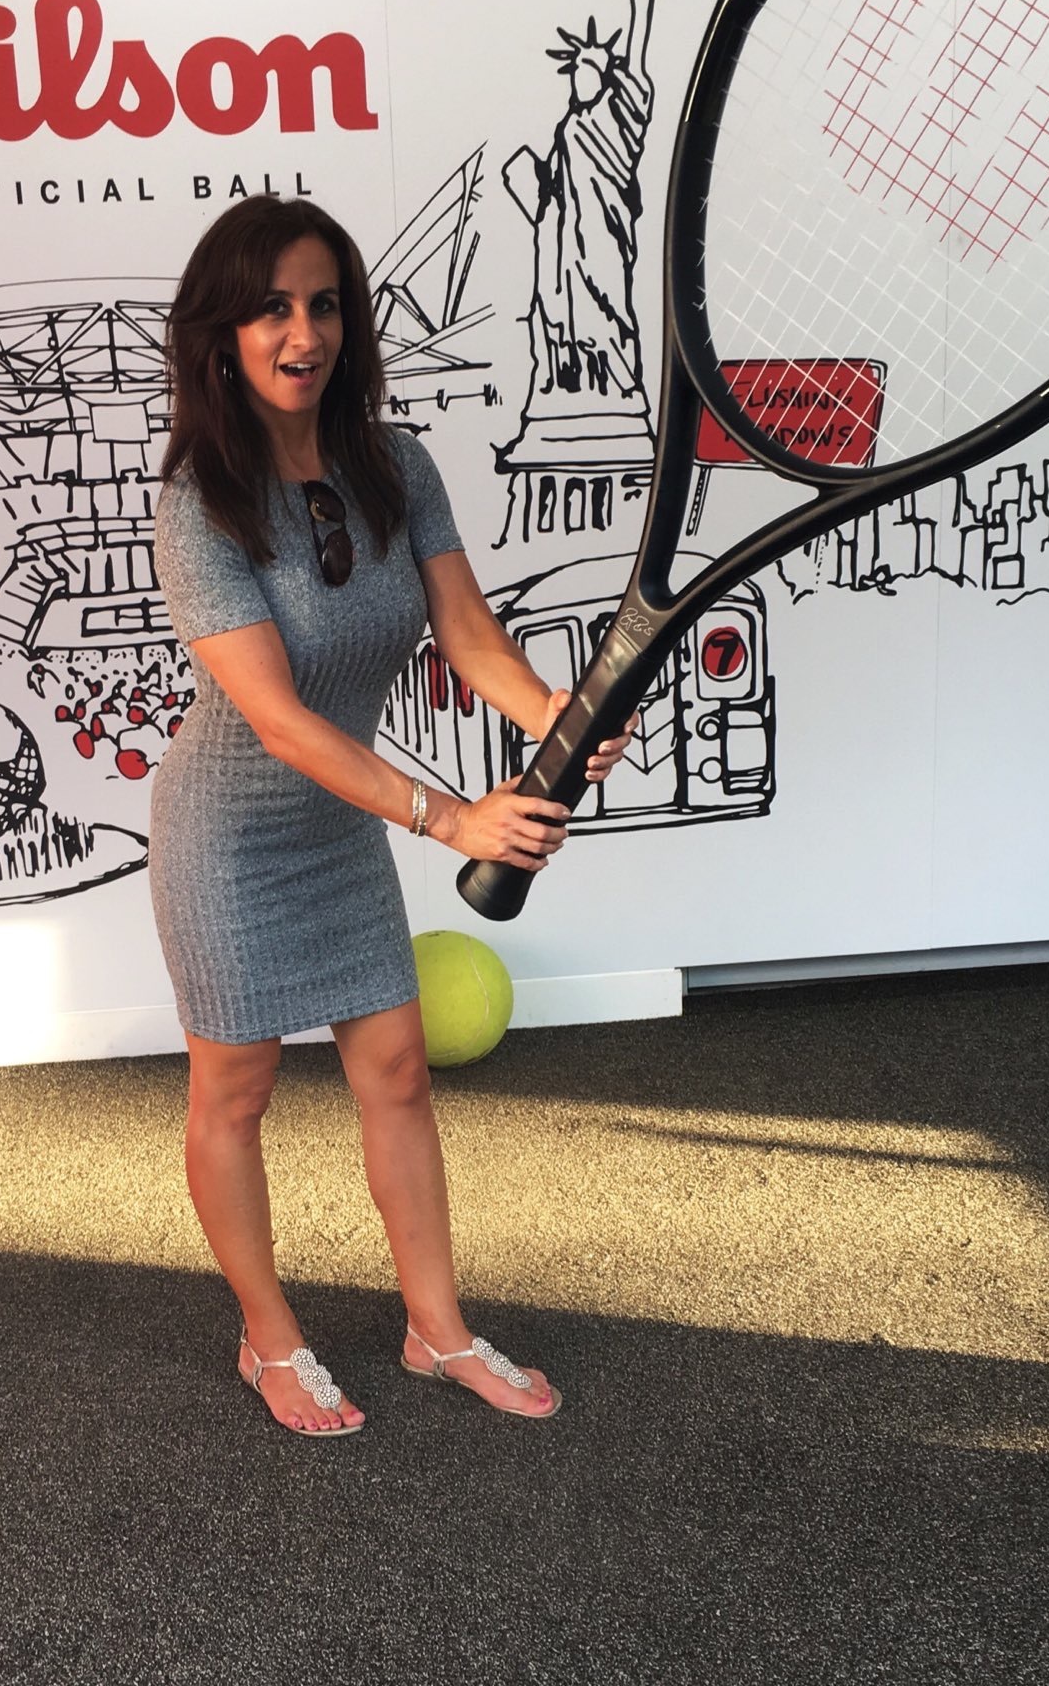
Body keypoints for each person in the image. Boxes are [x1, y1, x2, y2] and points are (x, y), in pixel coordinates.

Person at [151, 193, 634, 1438]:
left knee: (398, 1075)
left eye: (322, 304)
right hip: (230, 837)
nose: (302, 332)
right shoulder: (199, 497)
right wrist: (451, 819)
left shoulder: (395, 463)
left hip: (339, 824)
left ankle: (437, 1328)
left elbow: (466, 633)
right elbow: (278, 720)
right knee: (234, 1095)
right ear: (222, 333)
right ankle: (268, 1336)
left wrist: (552, 715)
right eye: (271, 308)